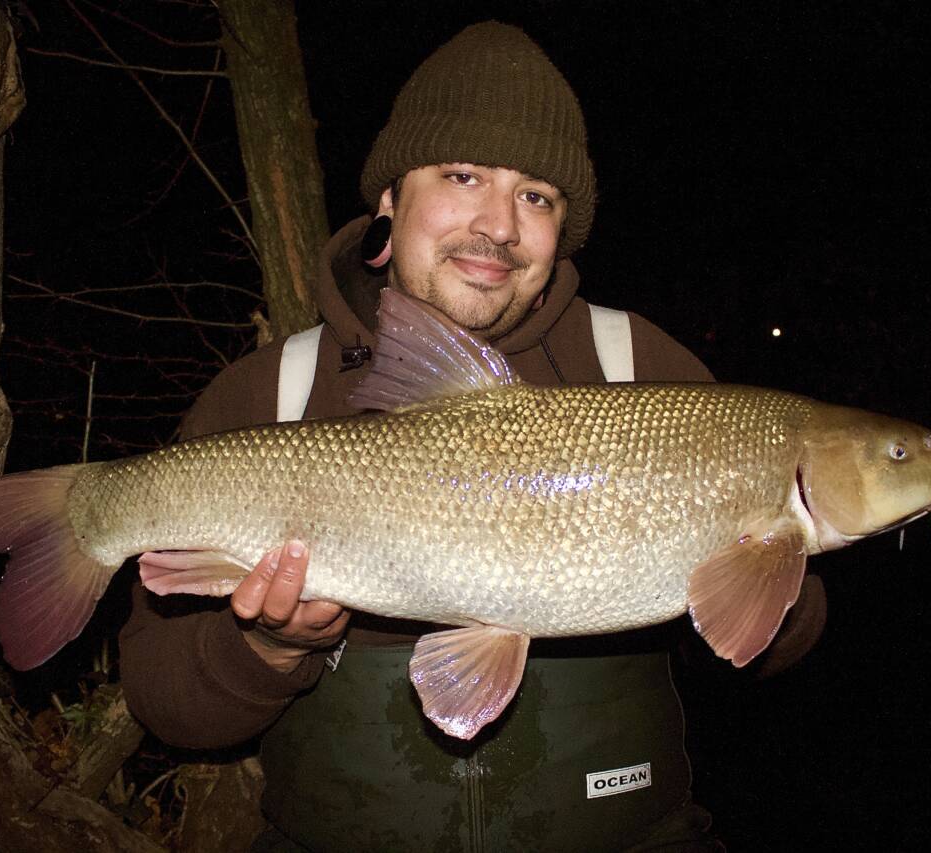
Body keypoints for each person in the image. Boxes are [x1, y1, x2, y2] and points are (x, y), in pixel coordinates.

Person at [121, 21, 810, 852]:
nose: (499, 225)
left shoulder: (643, 370)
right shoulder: (272, 392)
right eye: (461, 175)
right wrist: (267, 648)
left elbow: (778, 649)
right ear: (388, 197)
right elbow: (164, 704)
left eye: (536, 196)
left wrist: (771, 557)